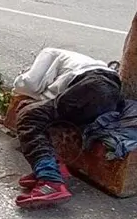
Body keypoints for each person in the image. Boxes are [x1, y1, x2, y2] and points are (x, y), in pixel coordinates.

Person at [12, 48, 122, 209]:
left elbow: (29, 84)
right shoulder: (77, 62)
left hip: (92, 85)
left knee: (29, 117)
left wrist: (21, 78)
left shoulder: (49, 52)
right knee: (50, 117)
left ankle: (50, 181)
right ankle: (53, 166)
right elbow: (57, 101)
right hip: (109, 94)